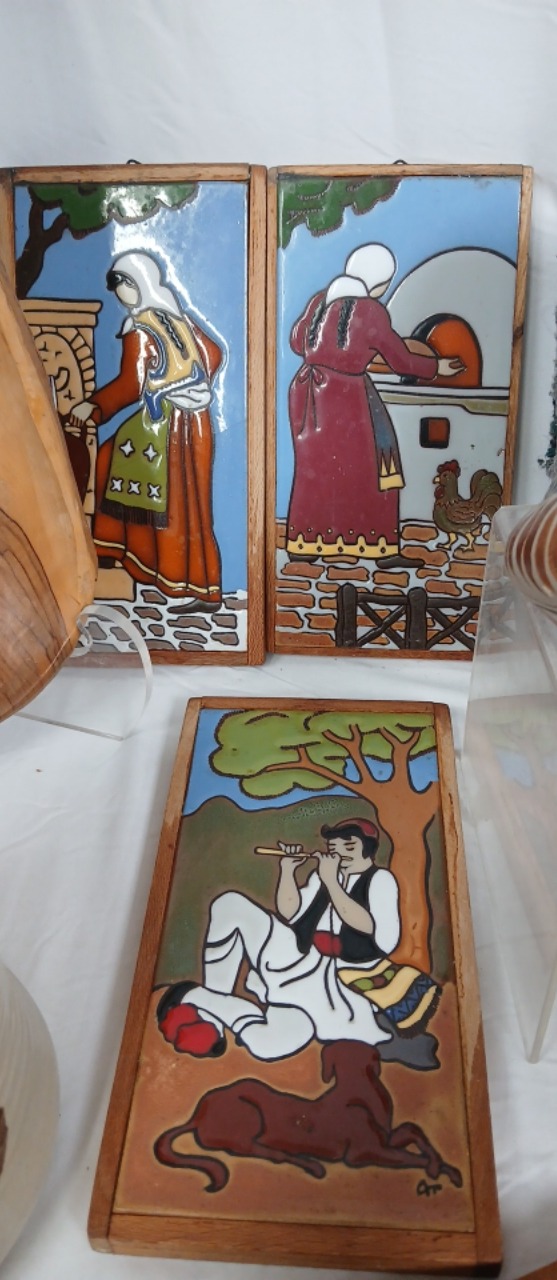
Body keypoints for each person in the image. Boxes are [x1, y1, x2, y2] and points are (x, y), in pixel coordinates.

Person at [157, 818, 404, 1063]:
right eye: (333, 847)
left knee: (273, 1043)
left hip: (341, 981)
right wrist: (288, 871)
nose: (339, 853)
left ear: (367, 848)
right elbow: (290, 912)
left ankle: (197, 996)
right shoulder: (325, 875)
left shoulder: (380, 879)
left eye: (348, 846)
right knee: (229, 905)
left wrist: (331, 883)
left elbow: (373, 930)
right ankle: (213, 1021)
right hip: (299, 956)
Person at [286, 242, 464, 569]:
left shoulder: (319, 301)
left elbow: (297, 341)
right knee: (375, 468)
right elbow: (400, 360)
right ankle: (379, 547)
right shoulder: (369, 310)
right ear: (379, 281)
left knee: (317, 470)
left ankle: (307, 543)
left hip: (307, 395)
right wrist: (436, 366)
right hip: (347, 398)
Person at [69, 250, 222, 607]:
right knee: (193, 505)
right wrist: (194, 386)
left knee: (114, 463)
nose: (120, 294)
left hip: (165, 424)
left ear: (137, 284)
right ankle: (200, 583)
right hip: (197, 419)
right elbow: (213, 354)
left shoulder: (139, 327)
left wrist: (93, 406)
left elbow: (130, 384)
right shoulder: (180, 319)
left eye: (122, 286)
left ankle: (164, 574)